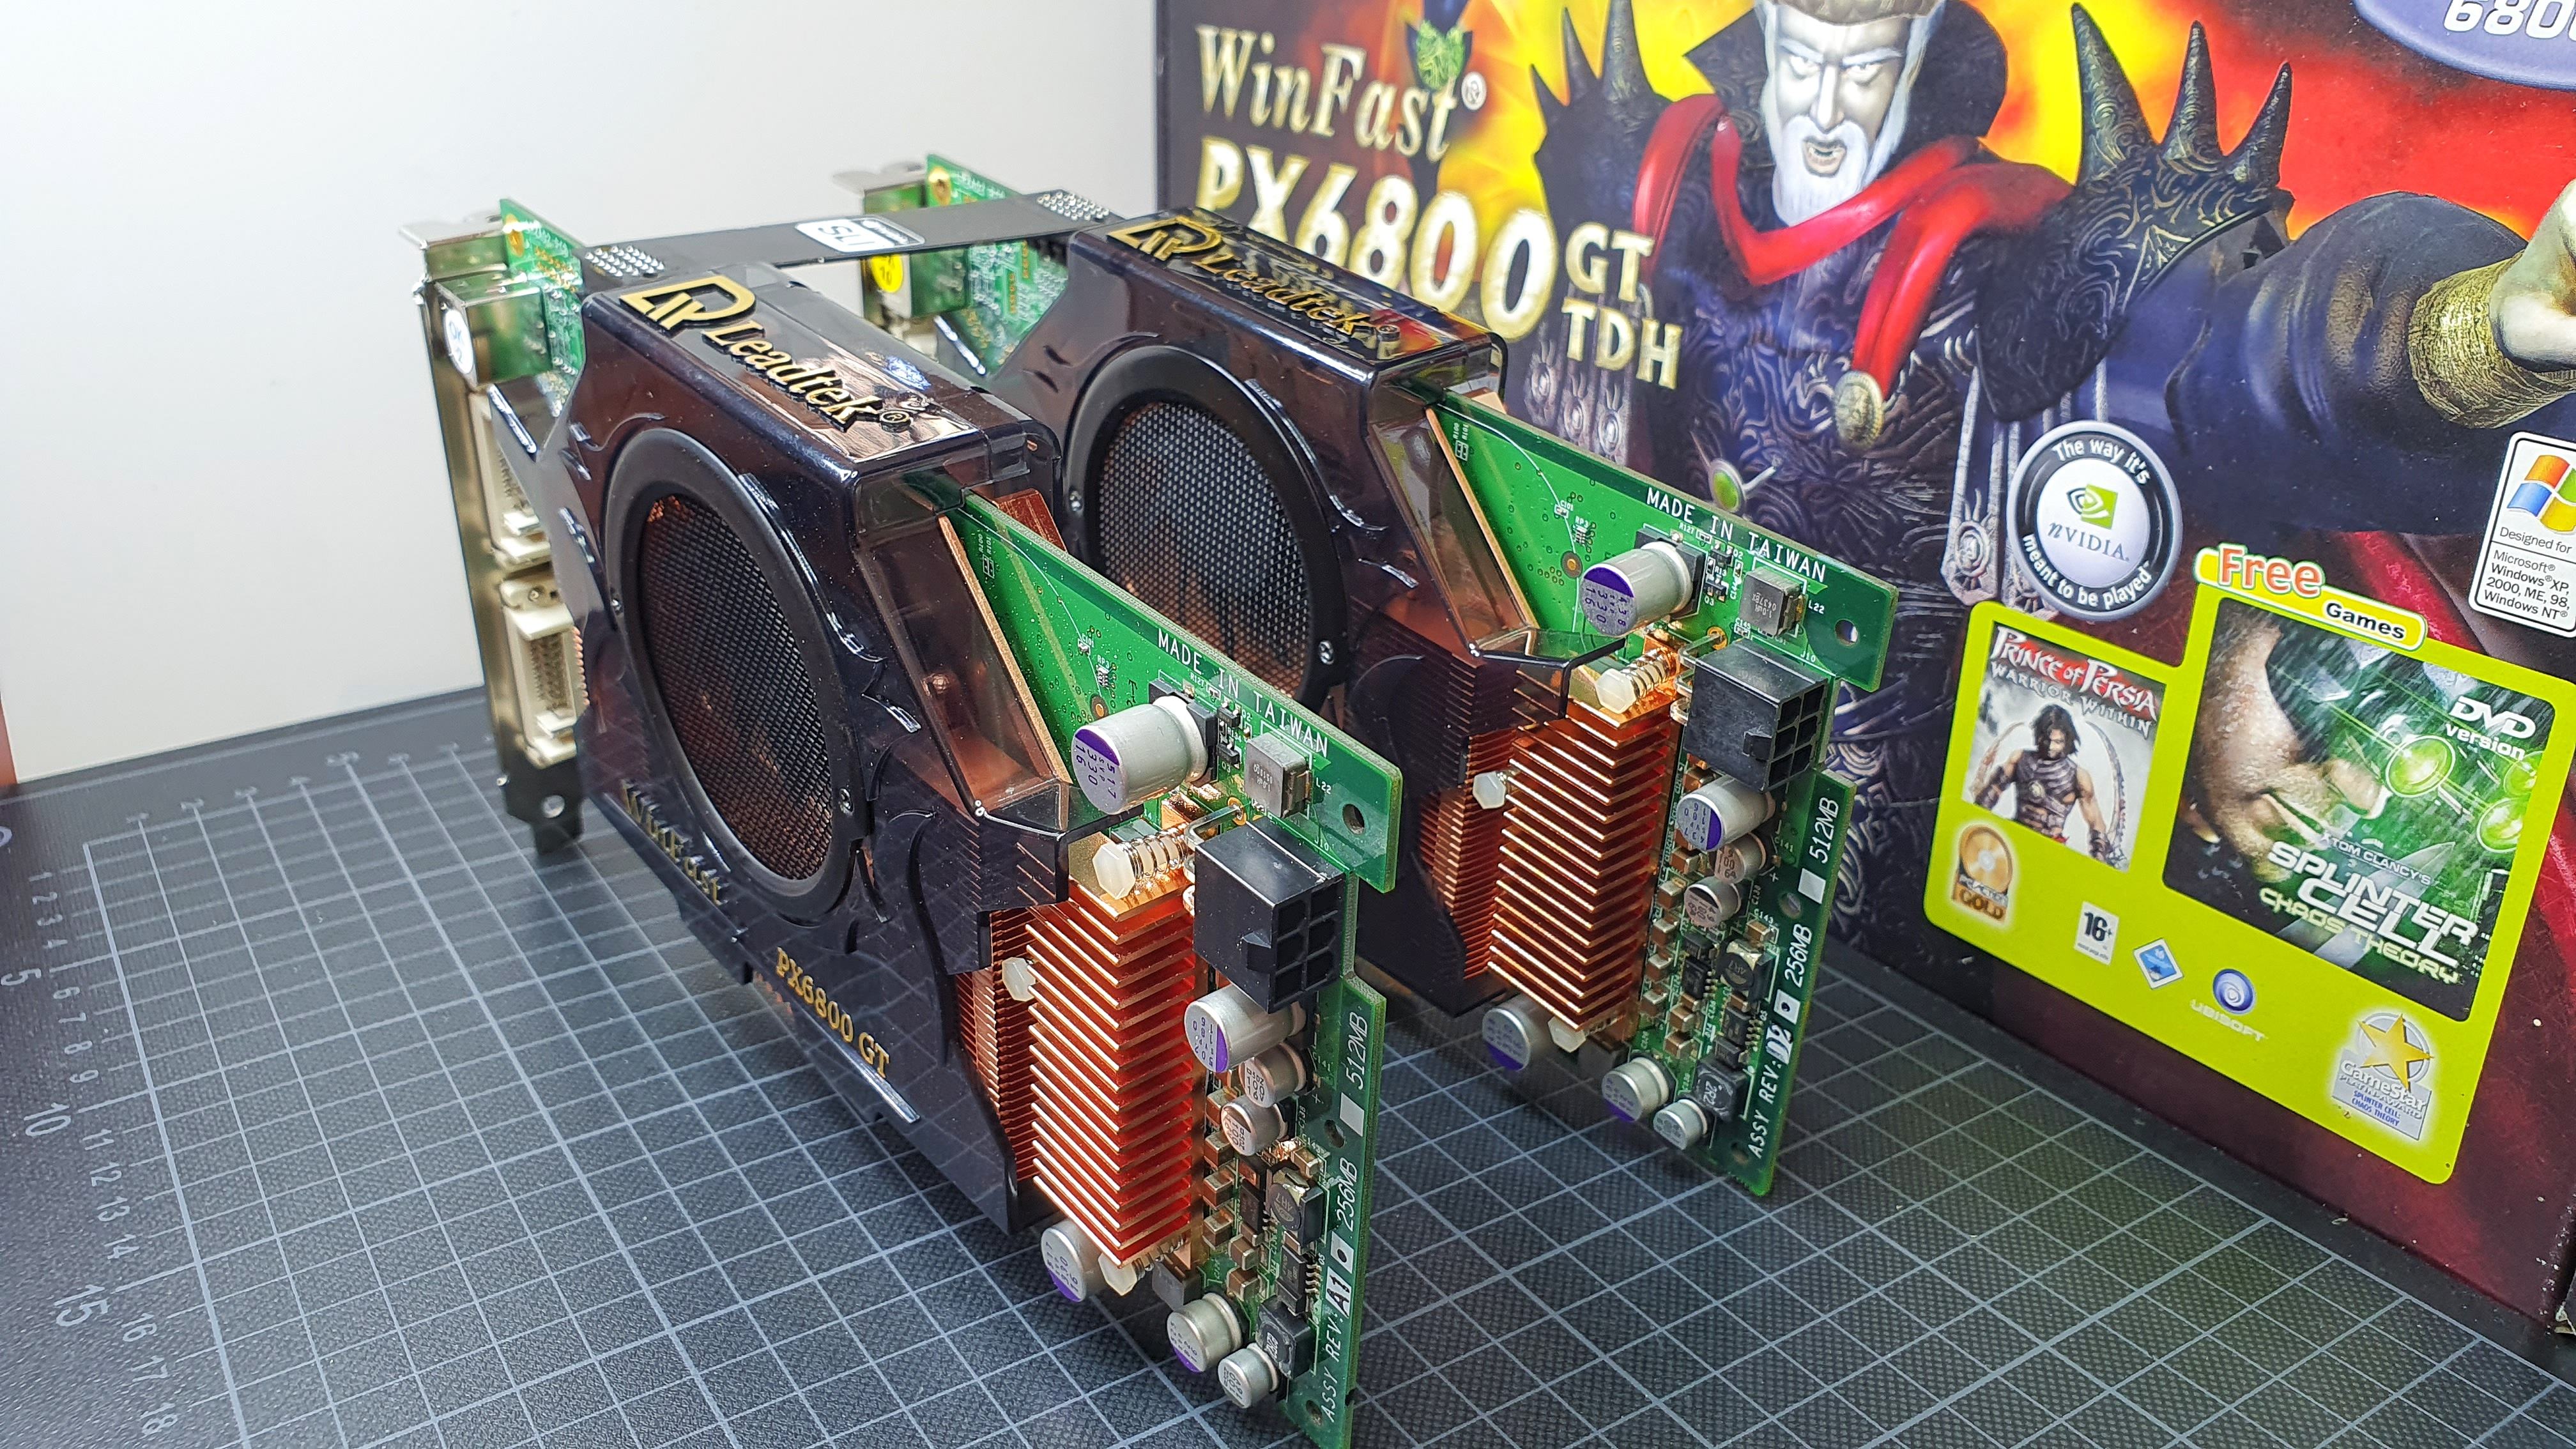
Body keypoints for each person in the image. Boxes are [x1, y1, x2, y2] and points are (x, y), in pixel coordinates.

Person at [1516, 0, 2576, 973]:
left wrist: (2476, 331)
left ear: (1919, 67)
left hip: (1926, 824)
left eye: (1863, 71)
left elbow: (2252, 357)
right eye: (1804, 66)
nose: (1826, 110)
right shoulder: (1661, 204)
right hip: (1661, 741)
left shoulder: (2018, 267)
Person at [1974, 704, 2115, 861]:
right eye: (2048, 740)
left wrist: (2098, 860)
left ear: (2067, 741)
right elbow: (1991, 793)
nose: (2051, 747)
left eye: (2058, 742)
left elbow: (2096, 824)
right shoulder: (2020, 758)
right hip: (2013, 837)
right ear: (2040, 735)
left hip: (2050, 848)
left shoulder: (2079, 777)